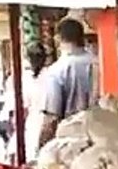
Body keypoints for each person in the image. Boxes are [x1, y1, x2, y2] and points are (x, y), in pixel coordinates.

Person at [38, 19, 98, 147]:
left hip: (69, 143)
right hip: (98, 138)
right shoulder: (98, 63)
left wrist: (41, 146)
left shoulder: (56, 70)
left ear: (57, 39)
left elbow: (52, 117)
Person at [0, 43, 48, 164]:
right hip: (38, 125)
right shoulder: (50, 74)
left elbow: (14, 111)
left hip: (32, 126)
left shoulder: (19, 77)